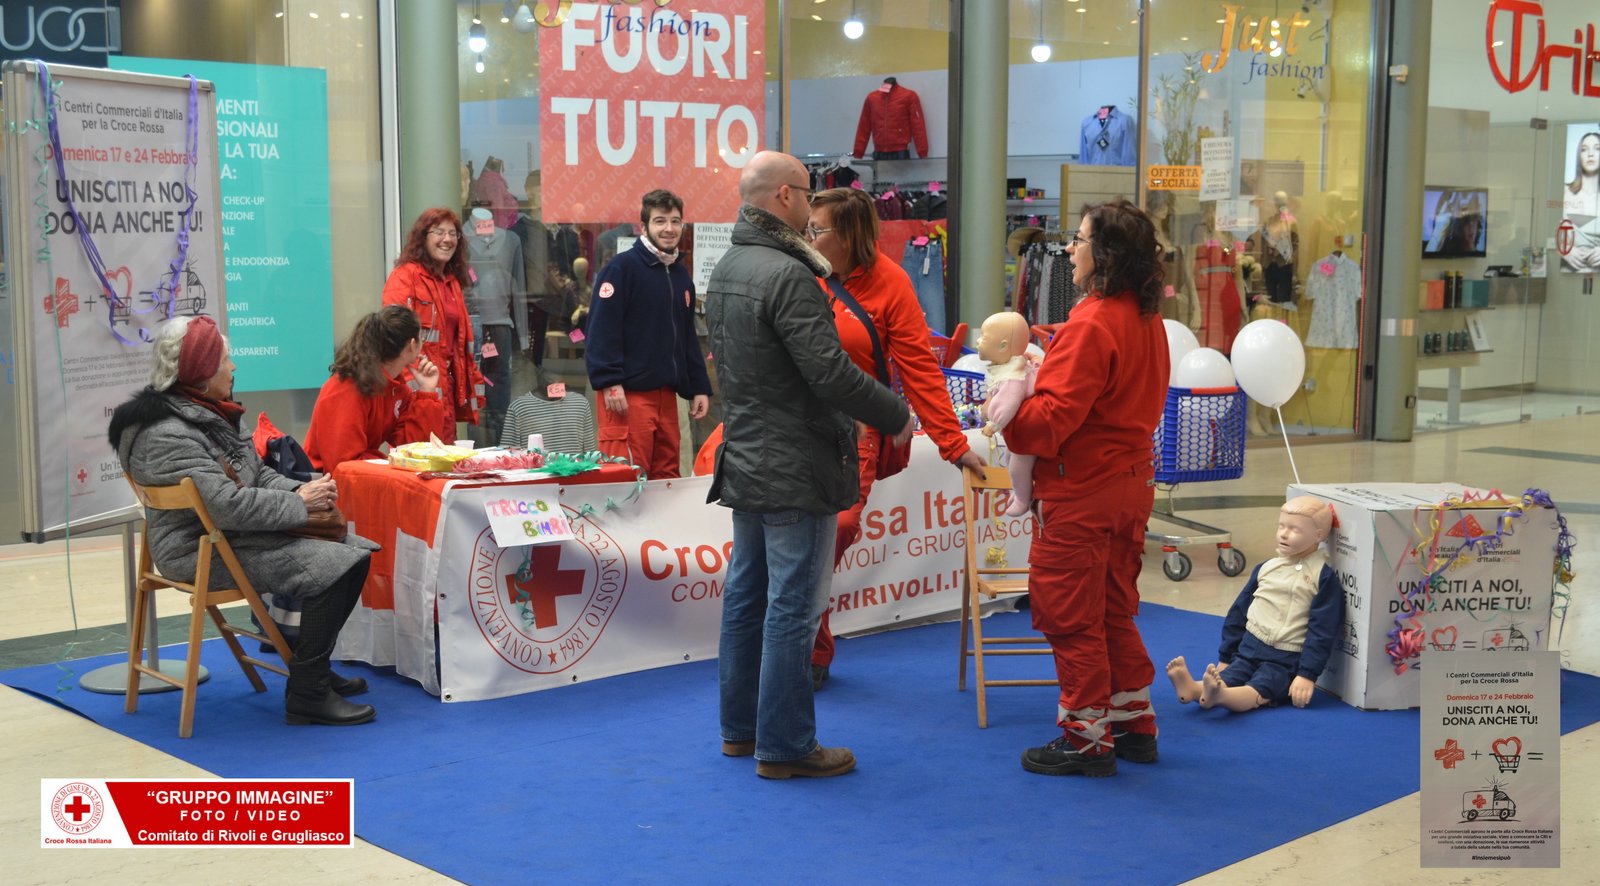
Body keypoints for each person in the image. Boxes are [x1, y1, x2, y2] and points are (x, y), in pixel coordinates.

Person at [705, 151, 912, 779]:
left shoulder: (729, 267)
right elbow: (828, 374)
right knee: (792, 606)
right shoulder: (791, 274)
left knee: (747, 597)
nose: (811, 203)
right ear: (786, 198)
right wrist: (895, 412)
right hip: (798, 461)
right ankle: (787, 745)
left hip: (748, 455)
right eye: (807, 192)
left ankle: (741, 732)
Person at [107, 316, 378, 727]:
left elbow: (254, 474)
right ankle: (308, 691)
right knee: (344, 564)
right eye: (226, 360)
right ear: (200, 371)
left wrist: (301, 492)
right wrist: (301, 505)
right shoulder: (167, 433)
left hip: (226, 537)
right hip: (198, 549)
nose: (233, 367)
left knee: (357, 549)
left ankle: (311, 668)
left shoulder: (208, 412)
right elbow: (228, 506)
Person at [1002, 199, 1171, 777]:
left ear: (1106, 254)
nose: (1069, 249)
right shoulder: (1144, 316)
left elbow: (1050, 422)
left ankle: (1085, 737)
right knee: (1114, 609)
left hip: (1082, 492)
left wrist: (1004, 412)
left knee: (1071, 615)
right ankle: (1133, 724)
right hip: (1129, 485)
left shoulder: (1095, 321)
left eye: (1078, 240)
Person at [803, 188, 984, 689]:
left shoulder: (891, 283)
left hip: (853, 437)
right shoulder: (803, 271)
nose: (810, 237)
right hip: (792, 432)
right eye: (808, 228)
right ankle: (808, 647)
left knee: (834, 532)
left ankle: (805, 641)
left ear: (851, 235)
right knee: (794, 541)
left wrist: (953, 444)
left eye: (819, 230)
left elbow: (921, 371)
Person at [1167, 496, 1342, 713]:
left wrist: (1306, 674)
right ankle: (1193, 689)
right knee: (1234, 673)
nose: (1284, 534)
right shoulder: (1267, 567)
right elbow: (1239, 612)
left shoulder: (1322, 577)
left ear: (1319, 535)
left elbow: (1322, 629)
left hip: (1285, 656)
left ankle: (1220, 695)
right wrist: (1226, 656)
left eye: (1295, 530)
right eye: (1281, 526)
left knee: (1262, 686)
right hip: (1250, 645)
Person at [584, 189, 711, 479]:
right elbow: (602, 329)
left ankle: (662, 529)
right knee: (627, 478)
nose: (669, 229)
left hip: (668, 397)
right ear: (644, 227)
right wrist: (610, 380)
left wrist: (698, 387)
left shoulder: (681, 277)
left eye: (675, 221)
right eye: (660, 221)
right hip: (627, 396)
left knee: (667, 479)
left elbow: (687, 337)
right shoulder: (621, 269)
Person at [382, 208, 485, 443]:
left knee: (443, 462)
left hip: (444, 389)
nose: (447, 239)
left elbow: (456, 347)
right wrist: (419, 384)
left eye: (453, 234)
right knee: (417, 459)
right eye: (439, 232)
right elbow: (394, 334)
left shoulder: (451, 283)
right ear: (423, 237)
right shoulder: (404, 277)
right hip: (418, 386)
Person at [303, 306, 447, 471]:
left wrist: (426, 392)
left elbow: (418, 452)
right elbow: (343, 464)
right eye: (422, 336)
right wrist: (390, 462)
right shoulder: (346, 388)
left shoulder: (395, 387)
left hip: (355, 479)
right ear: (412, 345)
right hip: (322, 485)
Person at [974, 311, 1036, 517]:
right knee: (1009, 459)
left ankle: (1022, 498)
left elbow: (1009, 403)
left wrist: (994, 424)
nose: (977, 341)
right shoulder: (1008, 368)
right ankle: (1017, 491)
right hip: (1018, 431)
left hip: (1027, 435)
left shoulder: (1013, 376)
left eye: (983, 337)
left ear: (1002, 346)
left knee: (1018, 466)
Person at [1561, 131, 1600, 272]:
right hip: (1567, 272)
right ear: (1579, 155)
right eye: (1584, 149)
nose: (1590, 154)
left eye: (1597, 148)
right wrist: (1564, 250)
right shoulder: (1564, 192)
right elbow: (1550, 231)